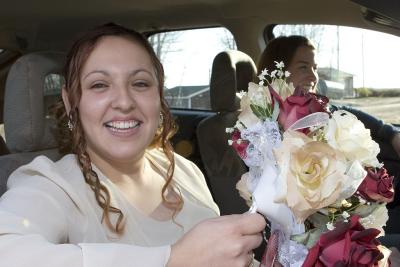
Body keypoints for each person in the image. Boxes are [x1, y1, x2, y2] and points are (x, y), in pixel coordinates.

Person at [0, 23, 265, 266]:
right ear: (72, 103)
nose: (124, 102)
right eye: (99, 85)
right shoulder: (52, 185)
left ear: (158, 95)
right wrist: (173, 260)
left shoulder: (185, 171)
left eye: (140, 83)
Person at [257, 35, 400, 158]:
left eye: (315, 68)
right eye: (303, 67)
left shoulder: (316, 108)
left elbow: (345, 111)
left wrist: (391, 134)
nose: (314, 76)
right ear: (277, 73)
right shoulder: (261, 128)